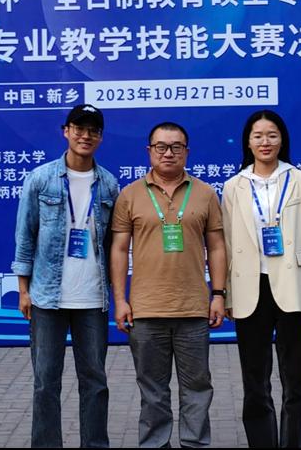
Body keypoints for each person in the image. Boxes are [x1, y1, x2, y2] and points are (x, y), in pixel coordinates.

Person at [110, 121, 227, 448]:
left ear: (187, 152)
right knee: (152, 391)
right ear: (149, 151)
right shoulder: (130, 194)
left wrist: (218, 294)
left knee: (197, 388)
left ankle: (195, 444)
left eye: (176, 147)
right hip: (146, 310)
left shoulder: (205, 193)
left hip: (193, 310)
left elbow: (217, 247)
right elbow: (118, 249)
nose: (168, 153)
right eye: (160, 146)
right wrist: (120, 300)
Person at [221, 110, 301, 449]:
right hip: (249, 288)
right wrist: (226, 294)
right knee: (255, 377)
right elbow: (227, 243)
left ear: (282, 140)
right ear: (248, 142)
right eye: (258, 136)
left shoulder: (300, 180)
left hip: (293, 286)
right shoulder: (234, 186)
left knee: (296, 376)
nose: (265, 142)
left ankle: (292, 442)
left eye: (272, 135)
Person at [11, 104, 120, 448]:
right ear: (66, 131)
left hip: (92, 299)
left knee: (95, 382)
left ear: (100, 137)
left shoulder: (109, 185)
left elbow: (114, 245)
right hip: (47, 298)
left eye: (93, 130)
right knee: (46, 382)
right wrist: (23, 290)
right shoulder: (40, 179)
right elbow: (25, 236)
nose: (86, 136)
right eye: (79, 129)